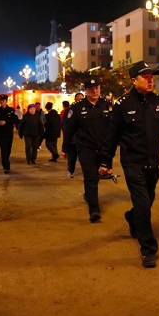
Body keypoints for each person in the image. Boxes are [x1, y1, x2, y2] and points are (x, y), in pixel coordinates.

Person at [98, 61, 159, 268]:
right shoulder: (122, 105)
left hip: (153, 164)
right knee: (144, 206)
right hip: (132, 164)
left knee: (148, 200)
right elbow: (112, 136)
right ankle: (148, 249)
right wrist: (105, 161)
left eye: (151, 77)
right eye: (145, 77)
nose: (150, 80)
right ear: (133, 80)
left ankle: (132, 217)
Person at [62, 76, 112, 223]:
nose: (94, 91)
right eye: (91, 88)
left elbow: (113, 129)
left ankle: (88, 195)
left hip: (103, 149)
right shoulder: (77, 108)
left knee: (97, 176)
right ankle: (94, 210)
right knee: (90, 177)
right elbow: (69, 130)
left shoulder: (107, 106)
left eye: (97, 88)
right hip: (85, 148)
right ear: (86, 90)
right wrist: (65, 148)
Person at [0, 94, 19, 174]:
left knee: (8, 149)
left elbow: (15, 120)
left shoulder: (11, 110)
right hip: (0, 133)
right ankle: (6, 166)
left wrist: (6, 122)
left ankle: (6, 160)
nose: (2, 102)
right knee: (3, 150)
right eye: (1, 100)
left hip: (9, 133)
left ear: (6, 101)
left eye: (3, 100)